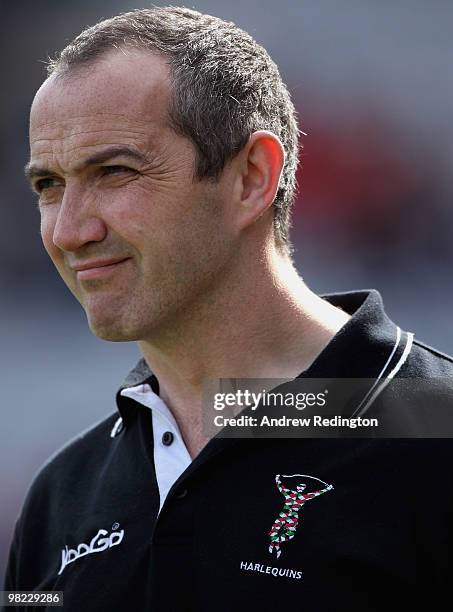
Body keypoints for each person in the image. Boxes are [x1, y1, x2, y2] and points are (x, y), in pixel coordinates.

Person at [3, 6, 453, 611]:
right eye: (48, 187)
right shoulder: (64, 491)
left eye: (113, 172)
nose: (69, 230)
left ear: (250, 178)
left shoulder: (434, 425)